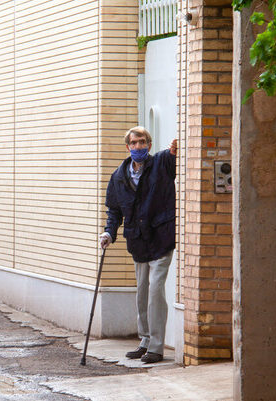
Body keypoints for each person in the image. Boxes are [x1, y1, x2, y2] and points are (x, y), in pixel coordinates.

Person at [99, 126, 177, 364]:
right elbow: (114, 211)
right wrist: (108, 233)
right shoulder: (119, 177)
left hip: (161, 239)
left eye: (143, 142)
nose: (138, 146)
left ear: (149, 145)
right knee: (142, 293)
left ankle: (156, 346)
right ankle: (144, 340)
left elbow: (174, 158)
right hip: (138, 242)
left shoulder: (162, 163)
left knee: (155, 291)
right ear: (128, 147)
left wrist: (175, 151)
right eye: (134, 143)